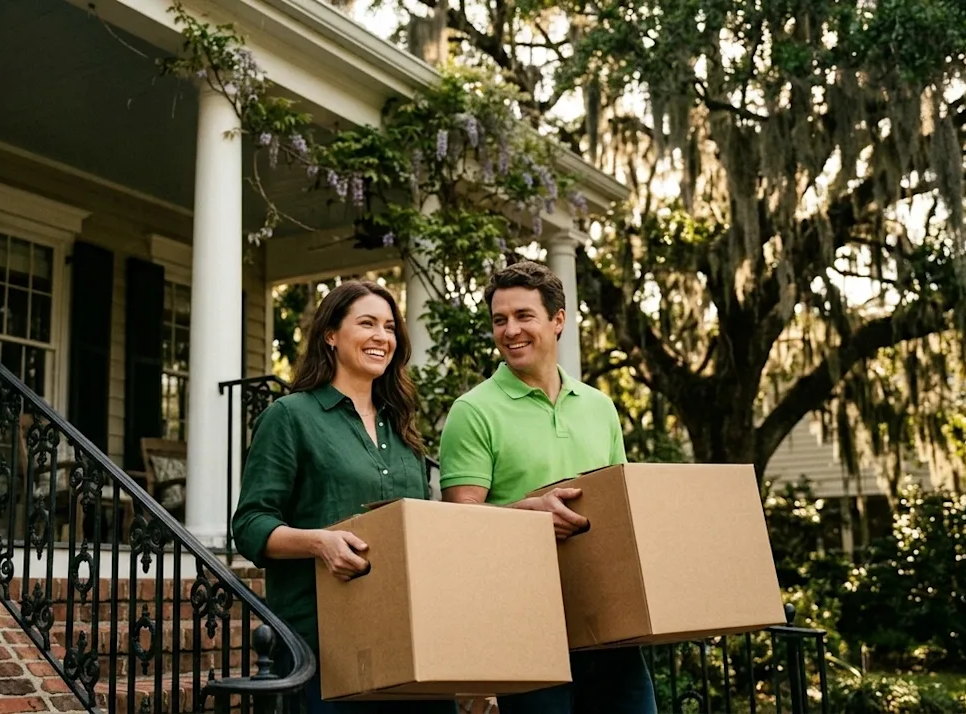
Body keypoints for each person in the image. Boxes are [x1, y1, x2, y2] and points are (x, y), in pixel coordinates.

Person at [438, 260, 657, 714]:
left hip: (610, 620)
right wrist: (527, 515)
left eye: (523, 316)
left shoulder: (599, 408)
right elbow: (458, 526)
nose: (510, 330)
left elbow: (623, 511)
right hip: (527, 624)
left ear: (558, 320)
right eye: (500, 320)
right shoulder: (473, 411)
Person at [231, 280, 456, 714]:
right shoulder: (290, 416)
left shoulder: (403, 429)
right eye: (367, 323)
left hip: (409, 633)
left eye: (389, 327)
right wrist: (320, 542)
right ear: (330, 335)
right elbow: (250, 524)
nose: (381, 337)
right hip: (323, 639)